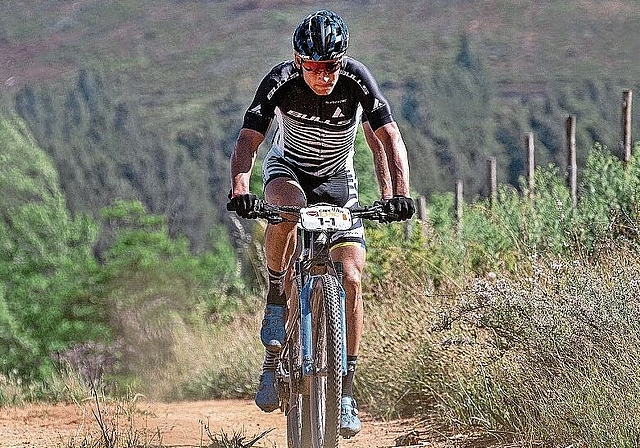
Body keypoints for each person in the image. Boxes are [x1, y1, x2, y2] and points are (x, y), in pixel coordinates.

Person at [228, 10, 414, 438]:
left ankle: (346, 388)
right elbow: (248, 140)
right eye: (312, 67)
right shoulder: (279, 81)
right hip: (288, 171)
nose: (323, 76)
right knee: (287, 212)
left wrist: (398, 195)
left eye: (330, 66)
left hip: (337, 181)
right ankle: (277, 296)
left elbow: (388, 136)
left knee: (350, 275)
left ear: (342, 60)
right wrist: (240, 187)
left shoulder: (357, 79)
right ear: (298, 61)